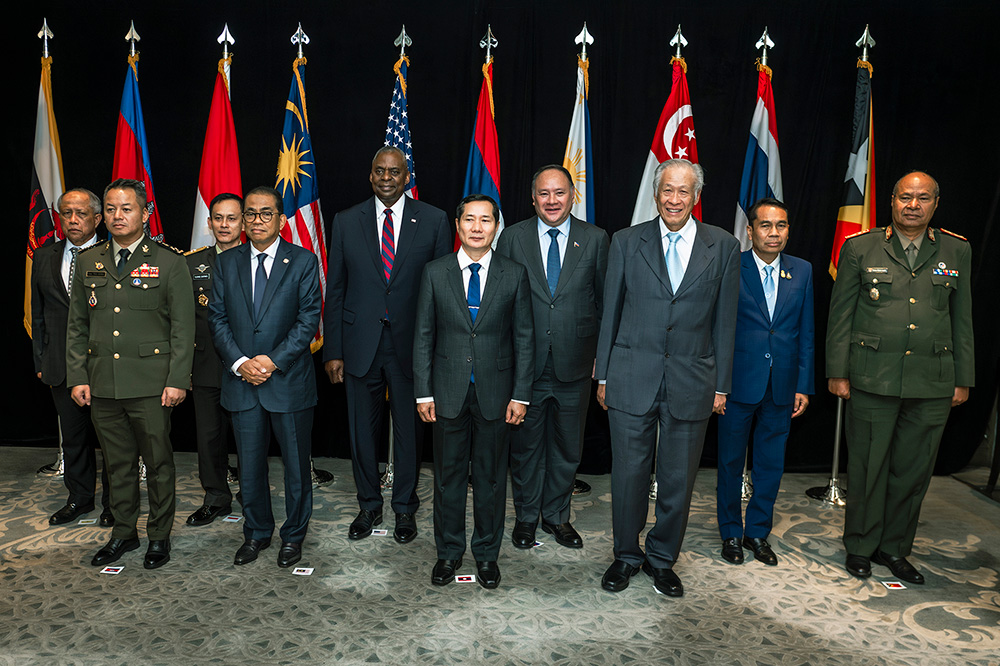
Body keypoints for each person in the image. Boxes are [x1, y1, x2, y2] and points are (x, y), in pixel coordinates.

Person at [595, 158, 739, 597]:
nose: (674, 199)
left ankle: (662, 559)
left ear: (697, 197)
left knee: (678, 479)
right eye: (667, 191)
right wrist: (602, 375)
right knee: (629, 476)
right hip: (630, 375)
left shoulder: (725, 246)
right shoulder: (625, 241)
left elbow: (725, 322)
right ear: (656, 195)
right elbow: (611, 313)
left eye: (684, 191)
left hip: (693, 381)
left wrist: (721, 385)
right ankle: (626, 555)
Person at [827, 171, 973, 585]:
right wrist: (837, 372)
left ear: (935, 204)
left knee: (913, 471)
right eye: (905, 197)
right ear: (891, 201)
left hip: (933, 380)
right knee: (869, 466)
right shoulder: (860, 246)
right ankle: (860, 545)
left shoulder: (956, 249)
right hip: (872, 377)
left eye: (922, 198)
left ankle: (894, 548)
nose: (913, 205)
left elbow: (962, 320)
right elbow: (841, 317)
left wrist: (963, 379)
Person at [323, 147, 452, 544]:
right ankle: (368, 506)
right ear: (370, 175)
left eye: (394, 172)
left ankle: (404, 509)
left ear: (406, 176)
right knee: (362, 431)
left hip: (413, 346)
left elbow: (443, 290)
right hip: (360, 345)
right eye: (379, 170)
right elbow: (337, 289)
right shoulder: (346, 221)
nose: (386, 177)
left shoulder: (433, 220)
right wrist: (333, 350)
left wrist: (437, 353)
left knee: (411, 432)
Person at [66, 178, 195, 570]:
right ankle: (123, 532)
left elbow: (182, 329)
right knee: (117, 465)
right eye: (110, 208)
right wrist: (77, 376)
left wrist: (177, 380)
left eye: (126, 208)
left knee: (157, 464)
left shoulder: (170, 262)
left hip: (152, 385)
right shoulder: (88, 261)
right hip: (103, 382)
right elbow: (77, 325)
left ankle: (159, 535)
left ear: (145, 212)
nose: (117, 216)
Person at [413, 194, 533, 589]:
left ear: (496, 226)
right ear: (458, 224)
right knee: (446, 479)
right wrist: (423, 392)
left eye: (485, 220)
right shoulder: (435, 271)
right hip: (446, 393)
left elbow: (524, 339)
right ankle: (448, 553)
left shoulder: (514, 273)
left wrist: (520, 394)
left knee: (491, 479)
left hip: (497, 396)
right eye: (470, 220)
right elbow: (424, 336)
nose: (477, 227)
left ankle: (486, 554)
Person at [495, 165, 609, 549]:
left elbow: (604, 303)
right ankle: (526, 517)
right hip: (525, 365)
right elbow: (502, 302)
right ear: (533, 198)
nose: (552, 201)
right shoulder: (512, 238)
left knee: (566, 447)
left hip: (576, 363)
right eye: (544, 194)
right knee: (526, 448)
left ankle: (557, 517)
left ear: (572, 195)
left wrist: (601, 359)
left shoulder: (595, 239)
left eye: (559, 193)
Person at [209, 186, 321, 568]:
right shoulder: (226, 263)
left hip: (287, 382)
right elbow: (217, 319)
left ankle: (294, 536)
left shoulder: (303, 261)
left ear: (281, 219)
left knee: (295, 467)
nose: (257, 220)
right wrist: (241, 363)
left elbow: (309, 320)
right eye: (251, 214)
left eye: (265, 213)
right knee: (250, 467)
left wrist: (271, 362)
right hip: (242, 382)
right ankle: (256, 533)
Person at [716, 197, 814, 567]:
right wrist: (718, 385)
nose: (774, 233)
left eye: (781, 226)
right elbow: (719, 329)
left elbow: (805, 332)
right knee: (729, 462)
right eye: (766, 226)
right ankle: (730, 533)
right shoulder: (731, 266)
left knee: (770, 465)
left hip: (782, 386)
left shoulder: (802, 270)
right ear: (750, 229)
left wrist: (803, 384)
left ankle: (757, 532)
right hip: (738, 384)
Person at [31, 188, 112, 528]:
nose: (73, 220)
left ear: (97, 218)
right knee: (75, 438)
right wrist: (40, 361)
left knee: (112, 441)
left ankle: (114, 503)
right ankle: (79, 498)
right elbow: (39, 315)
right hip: (61, 367)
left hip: (107, 365)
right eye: (66, 213)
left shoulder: (113, 254)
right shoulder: (44, 256)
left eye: (81, 213)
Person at [183, 192, 243, 526]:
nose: (224, 224)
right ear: (209, 223)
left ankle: (252, 496)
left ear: (244, 222)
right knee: (209, 438)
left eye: (231, 218)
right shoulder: (190, 264)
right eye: (218, 218)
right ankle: (216, 498)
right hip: (204, 366)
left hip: (248, 368)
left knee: (249, 437)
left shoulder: (256, 258)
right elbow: (180, 320)